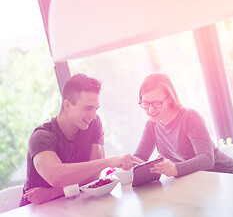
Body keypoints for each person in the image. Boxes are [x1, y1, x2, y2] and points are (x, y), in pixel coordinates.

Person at [20, 74, 142, 206]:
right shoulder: (42, 136)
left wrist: (52, 193)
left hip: (72, 203)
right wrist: (108, 162)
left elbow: (93, 176)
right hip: (36, 210)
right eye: (88, 108)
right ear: (67, 105)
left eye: (95, 109)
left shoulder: (93, 124)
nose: (93, 115)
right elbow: (56, 177)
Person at [131, 73, 233, 177]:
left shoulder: (190, 117)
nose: (150, 110)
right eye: (145, 103)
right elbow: (139, 160)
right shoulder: (152, 125)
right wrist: (118, 161)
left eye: (156, 103)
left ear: (170, 99)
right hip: (198, 182)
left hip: (226, 176)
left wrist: (174, 169)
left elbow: (207, 159)